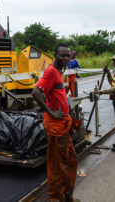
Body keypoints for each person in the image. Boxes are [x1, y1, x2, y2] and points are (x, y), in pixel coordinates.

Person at [31, 44, 78, 202]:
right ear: (54, 56)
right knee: (58, 166)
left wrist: (67, 112)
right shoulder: (51, 71)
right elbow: (35, 92)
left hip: (64, 124)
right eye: (62, 56)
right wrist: (50, 111)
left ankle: (67, 195)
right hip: (56, 126)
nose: (65, 58)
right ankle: (55, 198)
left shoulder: (59, 71)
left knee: (71, 160)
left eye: (67, 56)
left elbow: (58, 94)